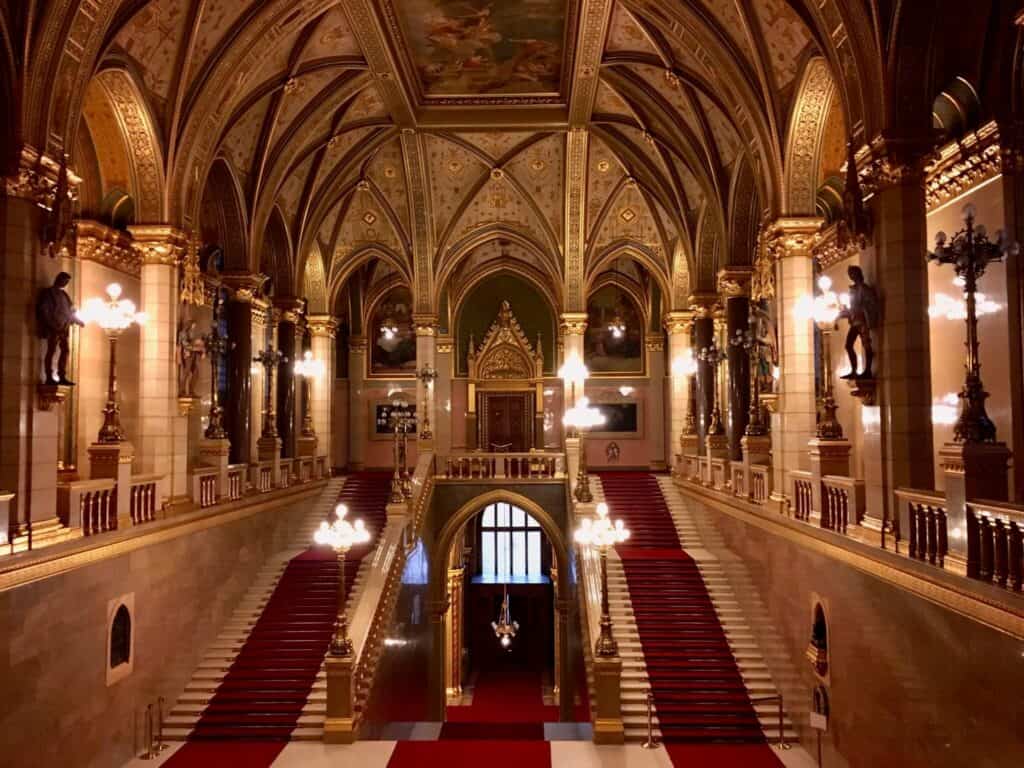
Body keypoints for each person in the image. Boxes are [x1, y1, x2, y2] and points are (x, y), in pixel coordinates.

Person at [36, 272, 83, 384]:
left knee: (65, 350)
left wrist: (77, 321)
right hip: (53, 327)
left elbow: (70, 312)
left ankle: (62, 375)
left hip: (64, 327)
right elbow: (44, 310)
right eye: (64, 281)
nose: (65, 283)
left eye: (67, 282)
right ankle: (49, 376)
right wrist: (51, 324)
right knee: (51, 351)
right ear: (58, 279)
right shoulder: (49, 293)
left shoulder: (64, 295)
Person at [838, 265, 879, 379]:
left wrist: (863, 309)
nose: (851, 276)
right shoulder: (853, 289)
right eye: (850, 274)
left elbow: (871, 302)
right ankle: (854, 370)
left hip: (862, 321)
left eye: (852, 273)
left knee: (866, 345)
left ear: (858, 274)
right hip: (855, 321)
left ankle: (868, 370)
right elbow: (852, 307)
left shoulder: (864, 289)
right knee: (848, 345)